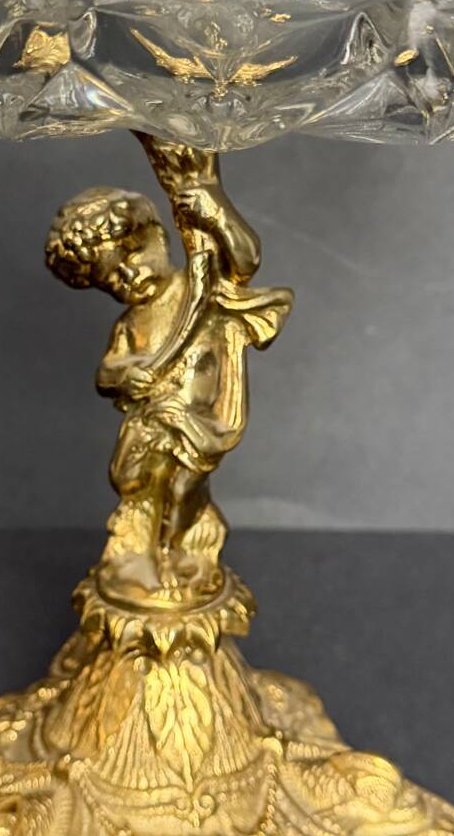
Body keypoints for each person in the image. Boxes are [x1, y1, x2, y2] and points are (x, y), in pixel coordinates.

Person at [45, 138, 292, 601]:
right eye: (113, 281)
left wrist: (214, 208)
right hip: (153, 423)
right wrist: (126, 373)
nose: (130, 278)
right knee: (141, 489)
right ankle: (147, 559)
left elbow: (246, 259)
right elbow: (106, 372)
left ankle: (178, 550)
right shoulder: (132, 323)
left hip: (202, 418)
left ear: (157, 235)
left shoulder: (201, 285)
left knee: (182, 490)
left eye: (132, 260)